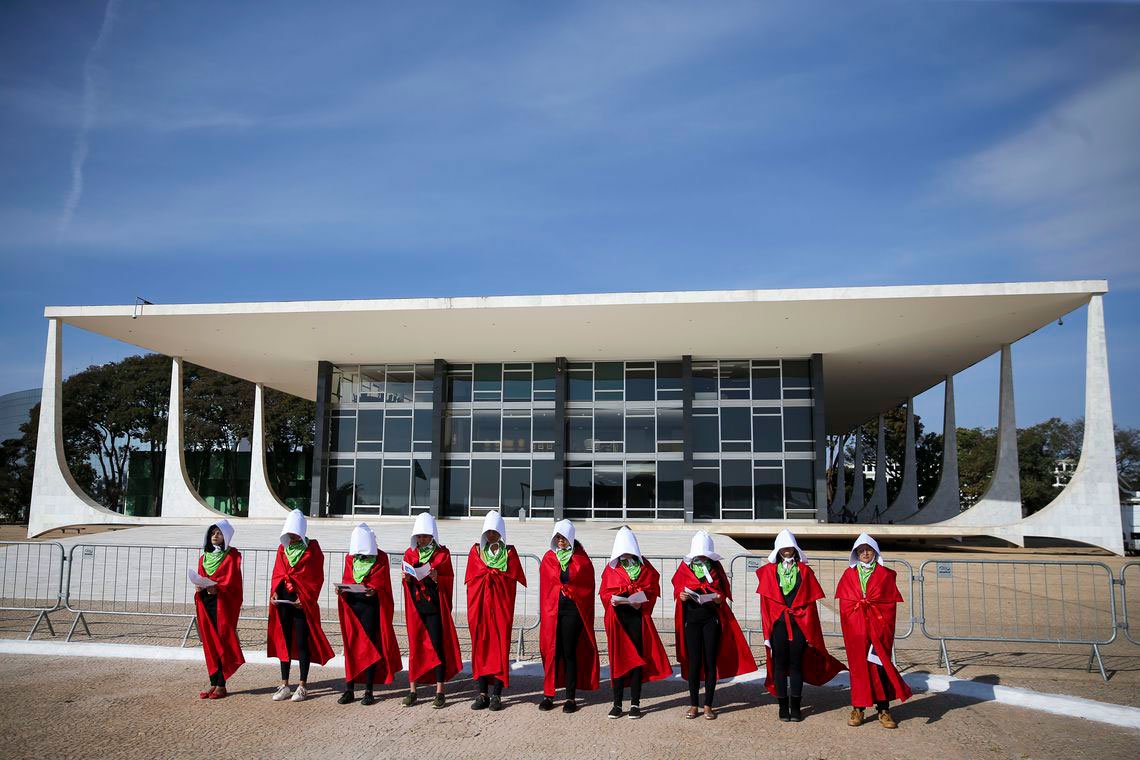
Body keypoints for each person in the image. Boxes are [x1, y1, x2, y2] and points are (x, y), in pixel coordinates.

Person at [756, 529, 844, 722]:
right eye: (783, 547)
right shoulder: (769, 572)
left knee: (796, 665)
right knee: (779, 665)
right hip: (778, 625)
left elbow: (811, 605)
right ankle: (782, 705)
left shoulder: (804, 571)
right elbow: (765, 605)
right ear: (778, 549)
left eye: (790, 547)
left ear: (795, 549)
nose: (787, 551)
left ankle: (795, 705)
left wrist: (810, 631)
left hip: (799, 624)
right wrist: (766, 633)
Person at [671, 530, 757, 720]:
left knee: (710, 662)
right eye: (699, 555)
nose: (702, 557)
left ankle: (708, 704)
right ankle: (694, 704)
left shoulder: (716, 568)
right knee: (694, 663)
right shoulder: (685, 568)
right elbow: (677, 587)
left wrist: (719, 599)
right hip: (691, 621)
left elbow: (723, 591)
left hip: (711, 620)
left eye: (705, 555)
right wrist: (681, 595)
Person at [835, 533, 911, 729]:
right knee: (859, 668)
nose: (865, 553)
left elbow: (889, 605)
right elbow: (845, 604)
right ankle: (858, 708)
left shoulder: (885, 575)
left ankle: (884, 709)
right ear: (856, 554)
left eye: (868, 550)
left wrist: (875, 613)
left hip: (878, 628)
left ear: (875, 552)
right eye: (861, 551)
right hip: (857, 629)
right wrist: (856, 617)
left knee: (879, 665)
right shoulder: (849, 574)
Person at [599, 526, 672, 720]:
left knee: (637, 661)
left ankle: (635, 703)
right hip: (618, 619)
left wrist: (643, 602)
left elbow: (652, 588)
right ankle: (616, 703)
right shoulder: (612, 568)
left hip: (638, 618)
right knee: (618, 659)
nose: (625, 553)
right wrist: (612, 599)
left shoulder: (645, 567)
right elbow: (604, 592)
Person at [267, 509, 335, 703]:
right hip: (284, 601)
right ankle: (284, 683)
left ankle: (303, 685)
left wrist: (306, 598)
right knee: (285, 641)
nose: (293, 537)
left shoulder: (312, 548)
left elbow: (316, 577)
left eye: (296, 533)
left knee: (302, 642)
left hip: (301, 602)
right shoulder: (283, 549)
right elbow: (278, 573)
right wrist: (275, 591)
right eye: (291, 533)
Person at [465, 510, 527, 711]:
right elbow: (471, 581)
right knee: (480, 648)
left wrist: (496, 577)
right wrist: (487, 576)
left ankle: (497, 695)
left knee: (500, 649)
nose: (491, 535)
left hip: (500, 609)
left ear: (501, 533)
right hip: (481, 609)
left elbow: (512, 582)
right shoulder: (476, 552)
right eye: (488, 532)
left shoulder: (509, 553)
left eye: (495, 532)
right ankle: (481, 693)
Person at [336, 523, 402, 706]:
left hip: (371, 609)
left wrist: (375, 591)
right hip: (353, 607)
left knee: (371, 647)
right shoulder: (351, 559)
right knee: (351, 648)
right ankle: (349, 689)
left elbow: (383, 584)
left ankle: (368, 690)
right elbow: (347, 579)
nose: (361, 555)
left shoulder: (381, 558)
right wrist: (342, 590)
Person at [538, 519, 600, 713]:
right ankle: (549, 694)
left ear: (570, 538)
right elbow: (546, 587)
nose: (560, 541)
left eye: (563, 538)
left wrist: (572, 590)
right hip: (553, 612)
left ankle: (570, 697)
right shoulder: (549, 558)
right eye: (557, 537)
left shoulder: (581, 559)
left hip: (572, 612)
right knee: (552, 653)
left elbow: (588, 587)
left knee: (569, 652)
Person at [401, 512, 462, 709]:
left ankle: (439, 691)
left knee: (437, 646)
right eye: (419, 536)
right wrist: (407, 578)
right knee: (415, 646)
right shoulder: (410, 554)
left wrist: (437, 577)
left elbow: (449, 579)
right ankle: (412, 691)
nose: (422, 539)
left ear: (433, 536)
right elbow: (406, 581)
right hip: (417, 607)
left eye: (426, 536)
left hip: (435, 607)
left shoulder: (442, 554)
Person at [193, 519, 244, 699]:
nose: (215, 536)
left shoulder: (232, 557)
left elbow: (233, 582)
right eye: (212, 532)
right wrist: (199, 586)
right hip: (205, 603)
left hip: (222, 604)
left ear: (226, 537)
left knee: (221, 641)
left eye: (219, 533)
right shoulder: (203, 558)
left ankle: (222, 684)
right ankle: (213, 682)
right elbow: (200, 577)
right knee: (209, 642)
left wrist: (218, 587)